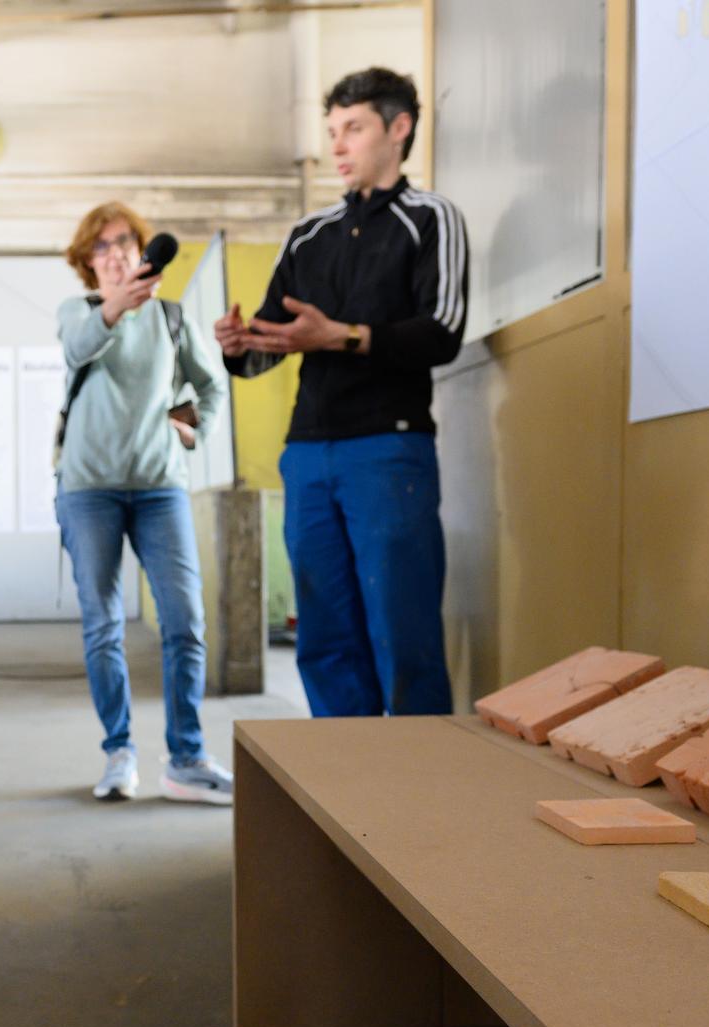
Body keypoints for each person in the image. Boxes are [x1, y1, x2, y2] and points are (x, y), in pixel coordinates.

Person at [215, 67, 468, 719]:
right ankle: (342, 775)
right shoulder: (308, 234)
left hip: (388, 449)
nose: (338, 145)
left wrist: (342, 336)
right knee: (324, 638)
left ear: (399, 128)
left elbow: (443, 332)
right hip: (307, 454)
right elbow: (270, 343)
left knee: (402, 634)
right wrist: (239, 346)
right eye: (332, 131)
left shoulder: (431, 218)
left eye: (353, 128)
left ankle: (418, 777)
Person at [56, 203, 234, 805]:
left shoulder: (172, 318)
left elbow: (208, 388)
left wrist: (188, 428)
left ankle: (186, 759)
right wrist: (116, 306)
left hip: (160, 488)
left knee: (185, 621)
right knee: (103, 624)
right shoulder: (78, 311)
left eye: (125, 243)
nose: (115, 254)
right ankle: (119, 752)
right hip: (88, 490)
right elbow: (78, 349)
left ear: (141, 251)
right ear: (88, 262)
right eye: (102, 247)